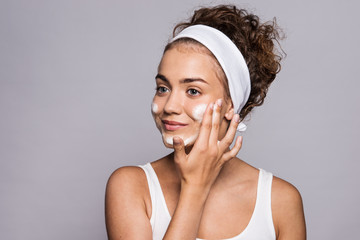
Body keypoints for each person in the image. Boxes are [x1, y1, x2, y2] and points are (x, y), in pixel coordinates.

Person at [105, 5, 306, 240]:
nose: (169, 106)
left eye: (192, 90)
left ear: (231, 103)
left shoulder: (280, 202)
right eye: (163, 88)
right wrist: (194, 189)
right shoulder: (131, 186)